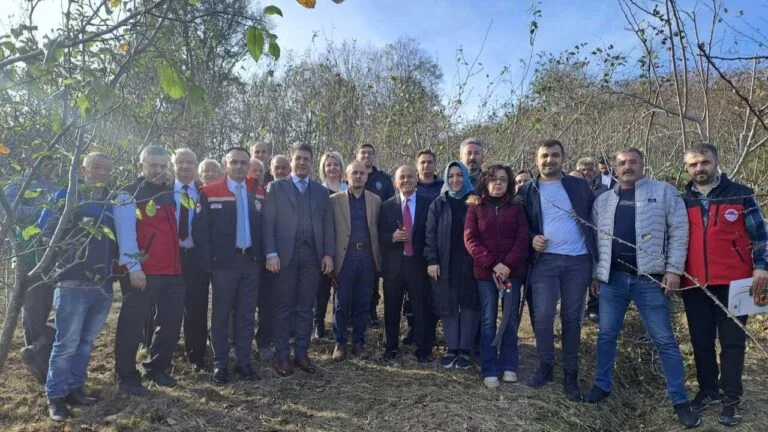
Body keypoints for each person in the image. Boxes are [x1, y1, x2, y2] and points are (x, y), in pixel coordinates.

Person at [583, 147, 700, 428]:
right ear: (614, 168)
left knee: (664, 340)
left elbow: (679, 231)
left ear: (642, 164)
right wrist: (597, 274)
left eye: (633, 162)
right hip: (612, 280)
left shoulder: (663, 192)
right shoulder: (603, 201)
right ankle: (602, 385)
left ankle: (679, 400)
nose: (627, 167)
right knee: (606, 335)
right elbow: (597, 241)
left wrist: (673, 269)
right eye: (622, 163)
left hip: (649, 280)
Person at [680, 143, 768, 426]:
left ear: (716, 162)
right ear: (687, 168)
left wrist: (762, 266)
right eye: (693, 164)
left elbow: (760, 234)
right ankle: (708, 390)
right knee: (700, 340)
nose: (699, 168)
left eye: (704, 162)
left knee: (732, 342)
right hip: (694, 282)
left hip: (736, 280)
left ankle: (731, 399)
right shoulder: (682, 200)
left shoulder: (740, 193)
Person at [40, 153, 116, 421]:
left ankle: (75, 388)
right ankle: (55, 396)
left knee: (86, 341)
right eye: (96, 167)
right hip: (72, 281)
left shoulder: (113, 201)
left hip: (103, 284)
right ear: (83, 170)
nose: (101, 172)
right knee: (66, 343)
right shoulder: (66, 196)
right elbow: (45, 232)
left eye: (106, 169)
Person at [519, 139, 595, 401]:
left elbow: (594, 217)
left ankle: (571, 372)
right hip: (545, 261)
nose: (549, 160)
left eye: (554, 155)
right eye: (544, 156)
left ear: (563, 158)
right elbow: (521, 224)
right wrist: (532, 238)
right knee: (542, 315)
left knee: (572, 318)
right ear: (536, 159)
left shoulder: (578, 186)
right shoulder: (528, 190)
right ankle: (546, 364)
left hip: (578, 261)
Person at [113, 145, 186, 396]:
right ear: (141, 166)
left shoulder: (170, 192)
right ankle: (126, 375)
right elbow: (126, 235)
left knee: (171, 323)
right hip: (144, 272)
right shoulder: (128, 194)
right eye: (153, 165)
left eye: (163, 166)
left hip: (173, 271)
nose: (158, 170)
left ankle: (156, 367)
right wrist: (134, 268)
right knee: (132, 325)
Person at [193, 147, 264, 384]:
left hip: (250, 262)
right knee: (221, 315)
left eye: (244, 162)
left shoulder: (258, 191)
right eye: (234, 162)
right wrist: (209, 263)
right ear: (226, 164)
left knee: (246, 315)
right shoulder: (209, 192)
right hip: (223, 265)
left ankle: (243, 362)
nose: (239, 166)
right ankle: (220, 364)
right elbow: (200, 231)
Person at [264, 143, 334, 376]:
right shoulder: (276, 188)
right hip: (285, 257)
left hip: (312, 257)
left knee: (306, 307)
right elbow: (268, 223)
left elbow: (327, 224)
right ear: (291, 161)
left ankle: (302, 354)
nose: (302, 162)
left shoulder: (321, 192)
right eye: (298, 158)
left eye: (306, 159)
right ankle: (282, 356)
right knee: (284, 307)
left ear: (312, 163)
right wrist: (271, 253)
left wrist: (328, 253)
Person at [464, 165, 528, 388]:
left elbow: (522, 239)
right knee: (488, 320)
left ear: (508, 183)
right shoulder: (475, 207)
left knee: (509, 319)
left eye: (502, 179)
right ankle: (489, 367)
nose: (498, 183)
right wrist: (493, 264)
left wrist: (507, 265)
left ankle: (509, 365)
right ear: (485, 182)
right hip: (485, 273)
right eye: (493, 179)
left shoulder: (517, 207)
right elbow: (470, 240)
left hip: (512, 273)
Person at [8, 155, 59, 384]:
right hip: (30, 257)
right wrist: (45, 211)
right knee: (34, 312)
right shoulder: (18, 186)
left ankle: (40, 350)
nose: (49, 165)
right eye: (43, 160)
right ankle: (37, 362)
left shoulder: (59, 186)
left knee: (64, 310)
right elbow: (7, 213)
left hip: (58, 257)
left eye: (52, 161)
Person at [424, 161, 478, 370]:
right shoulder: (439, 204)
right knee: (449, 306)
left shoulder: (475, 201)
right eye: (451, 176)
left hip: (471, 263)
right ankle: (452, 348)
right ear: (446, 179)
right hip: (446, 263)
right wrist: (432, 260)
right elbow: (430, 234)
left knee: (470, 306)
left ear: (466, 177)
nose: (455, 180)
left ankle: (465, 350)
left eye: (459, 175)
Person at [379, 165, 433, 363]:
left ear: (416, 179)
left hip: (418, 265)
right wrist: (392, 237)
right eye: (402, 177)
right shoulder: (386, 206)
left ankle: (423, 349)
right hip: (394, 266)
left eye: (410, 176)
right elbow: (379, 236)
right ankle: (390, 347)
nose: (406, 180)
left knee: (421, 308)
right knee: (391, 308)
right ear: (395, 182)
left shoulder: (428, 204)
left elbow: (431, 235)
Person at [329, 161, 382, 361]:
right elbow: (329, 230)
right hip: (345, 257)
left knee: (363, 302)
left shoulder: (375, 200)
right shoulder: (334, 200)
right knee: (341, 303)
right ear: (346, 176)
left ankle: (358, 343)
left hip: (367, 257)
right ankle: (339, 343)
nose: (358, 176)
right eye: (354, 173)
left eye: (361, 173)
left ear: (366, 176)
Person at [169, 149, 209, 373]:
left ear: (196, 166)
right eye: (180, 162)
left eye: (190, 162)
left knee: (197, 308)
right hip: (169, 256)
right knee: (167, 309)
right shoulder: (163, 192)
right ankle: (163, 354)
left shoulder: (205, 193)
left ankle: (196, 356)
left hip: (196, 258)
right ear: (173, 165)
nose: (185, 166)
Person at [356, 143, 394, 325]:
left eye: (370, 153)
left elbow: (392, 205)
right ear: (357, 155)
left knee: (373, 275)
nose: (366, 156)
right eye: (363, 153)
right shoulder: (351, 175)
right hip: (355, 234)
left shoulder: (384, 180)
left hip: (377, 234)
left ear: (374, 156)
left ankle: (371, 310)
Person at [313, 151, 349, 340]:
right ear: (323, 168)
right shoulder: (317, 191)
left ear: (341, 168)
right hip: (323, 245)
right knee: (322, 287)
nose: (332, 168)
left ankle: (338, 324)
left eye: (336, 164)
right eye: (328, 165)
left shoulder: (348, 189)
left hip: (344, 244)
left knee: (341, 288)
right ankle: (318, 322)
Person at [576, 157, 609, 322]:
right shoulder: (572, 188)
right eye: (583, 170)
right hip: (578, 236)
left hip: (598, 234)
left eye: (589, 169)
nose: (586, 172)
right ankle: (578, 309)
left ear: (595, 172)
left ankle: (594, 306)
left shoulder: (604, 189)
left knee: (597, 272)